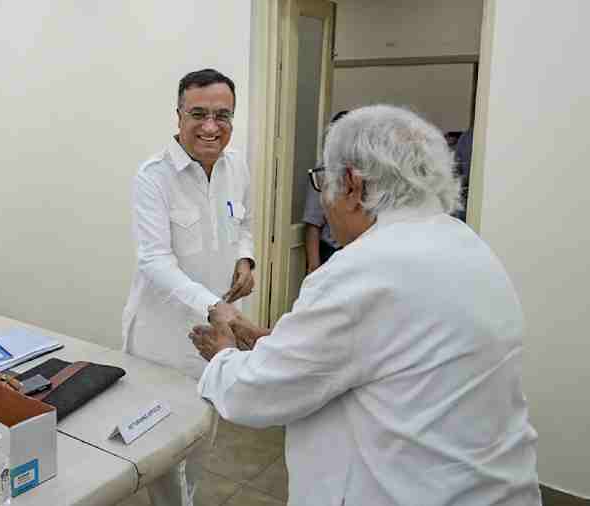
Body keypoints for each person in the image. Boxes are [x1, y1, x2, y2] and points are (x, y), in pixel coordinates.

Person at [189, 105, 540, 505]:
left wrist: (222, 355)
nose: (323, 203)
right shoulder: (467, 244)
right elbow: (382, 351)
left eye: (323, 183)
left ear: (352, 185)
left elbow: (255, 394)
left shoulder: (362, 269)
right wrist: (275, 340)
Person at [122, 68, 255, 506]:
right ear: (178, 115)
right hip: (162, 340)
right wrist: (214, 304)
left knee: (201, 440)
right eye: (198, 113)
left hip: (211, 340)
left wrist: (245, 259)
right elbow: (154, 260)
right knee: (158, 453)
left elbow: (245, 223)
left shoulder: (237, 167)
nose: (211, 126)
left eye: (223, 115)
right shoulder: (154, 176)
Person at [303, 111, 348, 273]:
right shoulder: (322, 171)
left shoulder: (365, 170)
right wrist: (314, 265)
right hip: (331, 250)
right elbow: (313, 222)